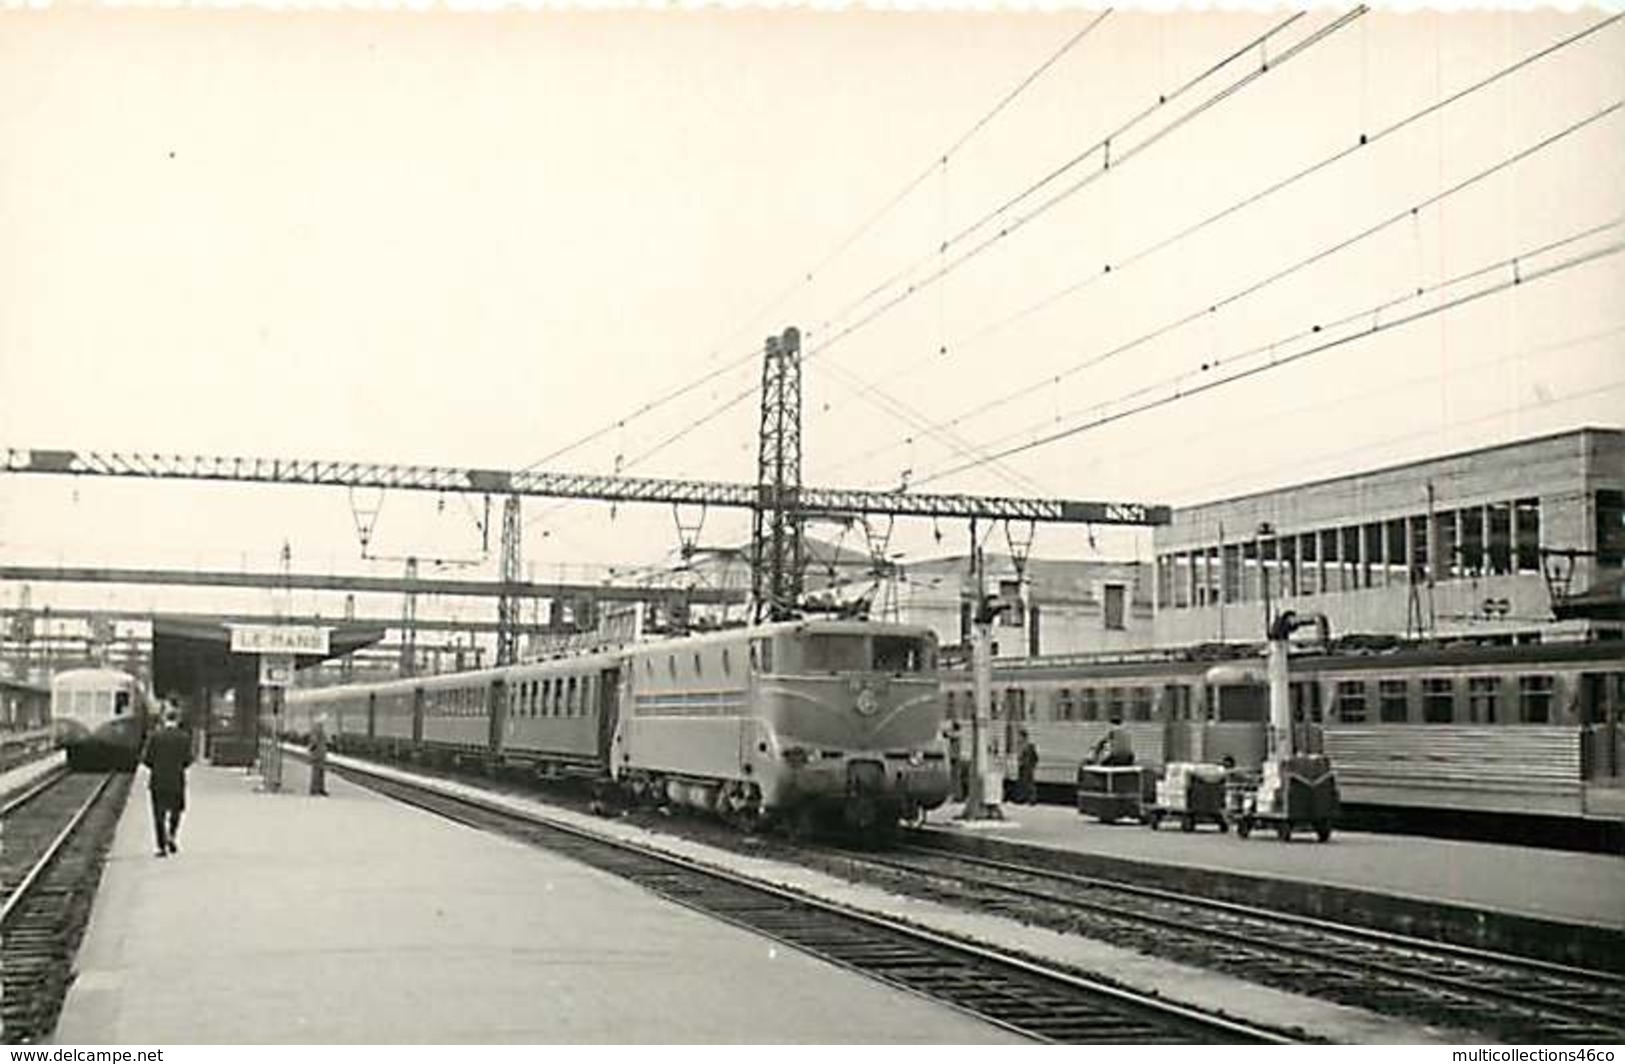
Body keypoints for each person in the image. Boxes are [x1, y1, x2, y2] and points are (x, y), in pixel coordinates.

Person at [143, 709, 194, 857]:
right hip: (176, 780)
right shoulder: (184, 737)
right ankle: (171, 835)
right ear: (177, 720)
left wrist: (156, 767)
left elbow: (147, 759)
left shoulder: (155, 736)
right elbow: (188, 760)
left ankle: (161, 846)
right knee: (176, 810)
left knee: (158, 813)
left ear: (164, 719)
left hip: (158, 780)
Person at [1017, 730, 1039, 805]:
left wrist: (1032, 765)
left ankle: (1031, 799)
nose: (1018, 738)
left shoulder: (1029, 746)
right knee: (1023, 783)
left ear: (1024, 737)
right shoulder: (1020, 746)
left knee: (1029, 783)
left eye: (1020, 736)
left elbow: (1035, 757)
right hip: (1023, 767)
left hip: (1027, 767)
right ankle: (1023, 798)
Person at [309, 713, 329, 797]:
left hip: (321, 753)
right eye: (323, 719)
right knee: (317, 772)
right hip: (318, 754)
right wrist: (311, 749)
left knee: (320, 772)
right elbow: (314, 741)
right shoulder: (316, 728)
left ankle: (320, 789)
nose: (324, 721)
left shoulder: (320, 728)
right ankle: (315, 789)